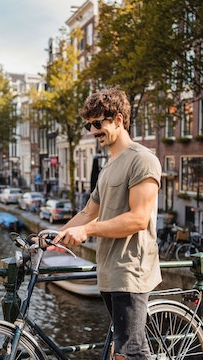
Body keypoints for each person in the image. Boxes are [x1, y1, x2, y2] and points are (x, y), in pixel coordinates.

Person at [54, 88, 162, 360]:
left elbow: (138, 219)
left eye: (98, 123)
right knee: (123, 351)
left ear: (118, 119)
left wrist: (86, 231)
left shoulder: (142, 160)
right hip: (108, 272)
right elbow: (89, 212)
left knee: (131, 353)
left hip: (130, 272)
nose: (92, 131)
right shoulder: (108, 165)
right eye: (89, 125)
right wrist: (53, 237)